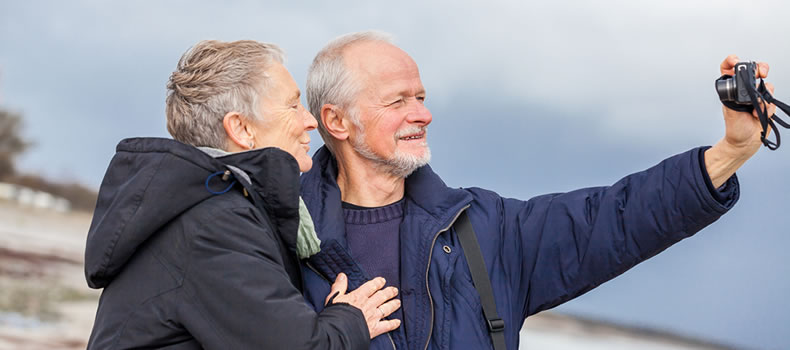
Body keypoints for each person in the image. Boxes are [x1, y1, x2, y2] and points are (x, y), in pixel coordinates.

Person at [297, 31, 777, 349]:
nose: (421, 114)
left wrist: (730, 152)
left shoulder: (484, 228)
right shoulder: (275, 235)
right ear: (336, 121)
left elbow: (611, 218)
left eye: (420, 97)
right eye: (396, 101)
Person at [84, 39, 401, 349]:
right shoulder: (212, 223)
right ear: (242, 129)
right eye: (292, 105)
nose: (310, 121)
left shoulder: (207, 205)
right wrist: (352, 319)